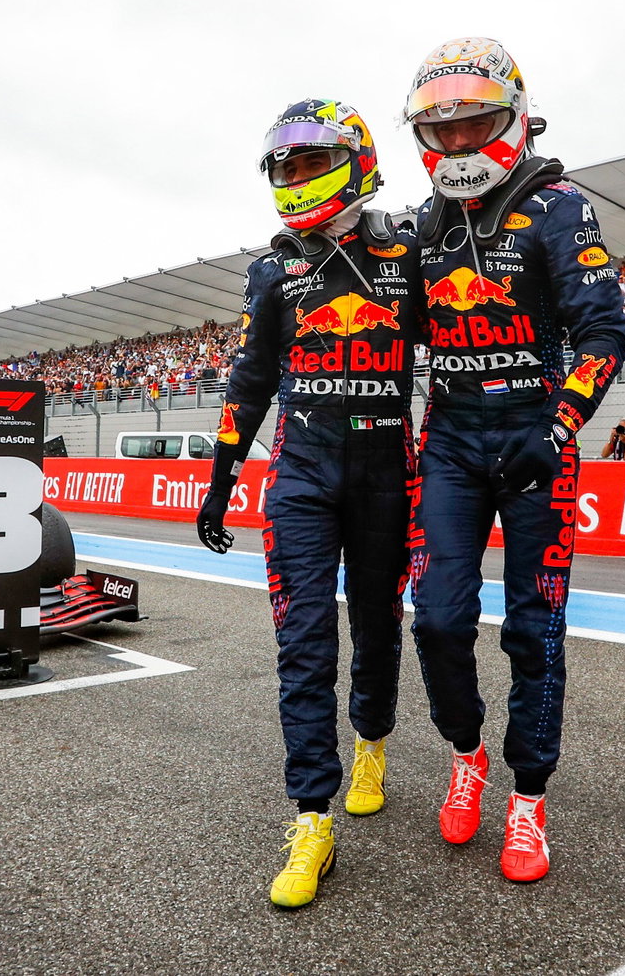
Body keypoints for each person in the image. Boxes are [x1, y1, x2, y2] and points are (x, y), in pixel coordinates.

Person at [402, 38, 625, 883]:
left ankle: (527, 801)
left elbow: (606, 332)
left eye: (476, 126)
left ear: (515, 117)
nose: (458, 146)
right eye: (441, 131)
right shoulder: (422, 225)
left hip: (540, 440)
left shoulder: (562, 205)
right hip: (452, 441)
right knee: (438, 619)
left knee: (536, 629)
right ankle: (467, 755)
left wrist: (560, 424)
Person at [196, 98, 421, 909]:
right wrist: (221, 476)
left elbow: (469, 348)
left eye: (307, 163)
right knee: (302, 643)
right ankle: (311, 817)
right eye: (282, 167)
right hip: (299, 472)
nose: (293, 178)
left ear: (354, 160)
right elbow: (249, 381)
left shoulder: (407, 251)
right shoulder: (271, 269)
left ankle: (371, 739)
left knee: (376, 625)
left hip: (389, 468)